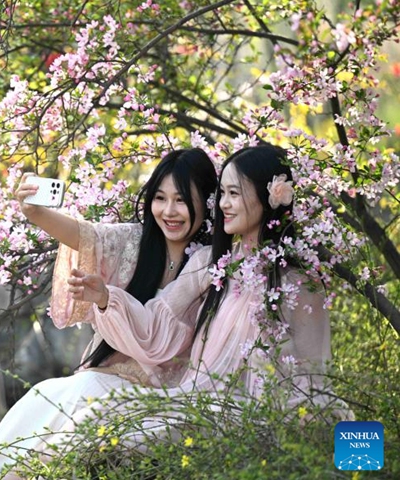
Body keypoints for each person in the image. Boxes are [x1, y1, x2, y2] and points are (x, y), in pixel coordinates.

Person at [59, 144, 350, 457]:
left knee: (120, 442)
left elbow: (309, 373)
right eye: (221, 193)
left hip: (253, 415)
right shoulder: (211, 263)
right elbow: (156, 325)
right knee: (87, 426)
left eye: (234, 193)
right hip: (197, 403)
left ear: (269, 197)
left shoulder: (298, 281)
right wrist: (106, 298)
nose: (223, 204)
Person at [0, 148, 218, 479]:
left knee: (80, 395)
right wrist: (35, 212)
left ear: (207, 202)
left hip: (166, 389)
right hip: (110, 377)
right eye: (160, 198)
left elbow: (162, 334)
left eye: (182, 200)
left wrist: (106, 298)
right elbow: (85, 236)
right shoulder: (137, 241)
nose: (169, 211)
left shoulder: (209, 261)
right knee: (47, 395)